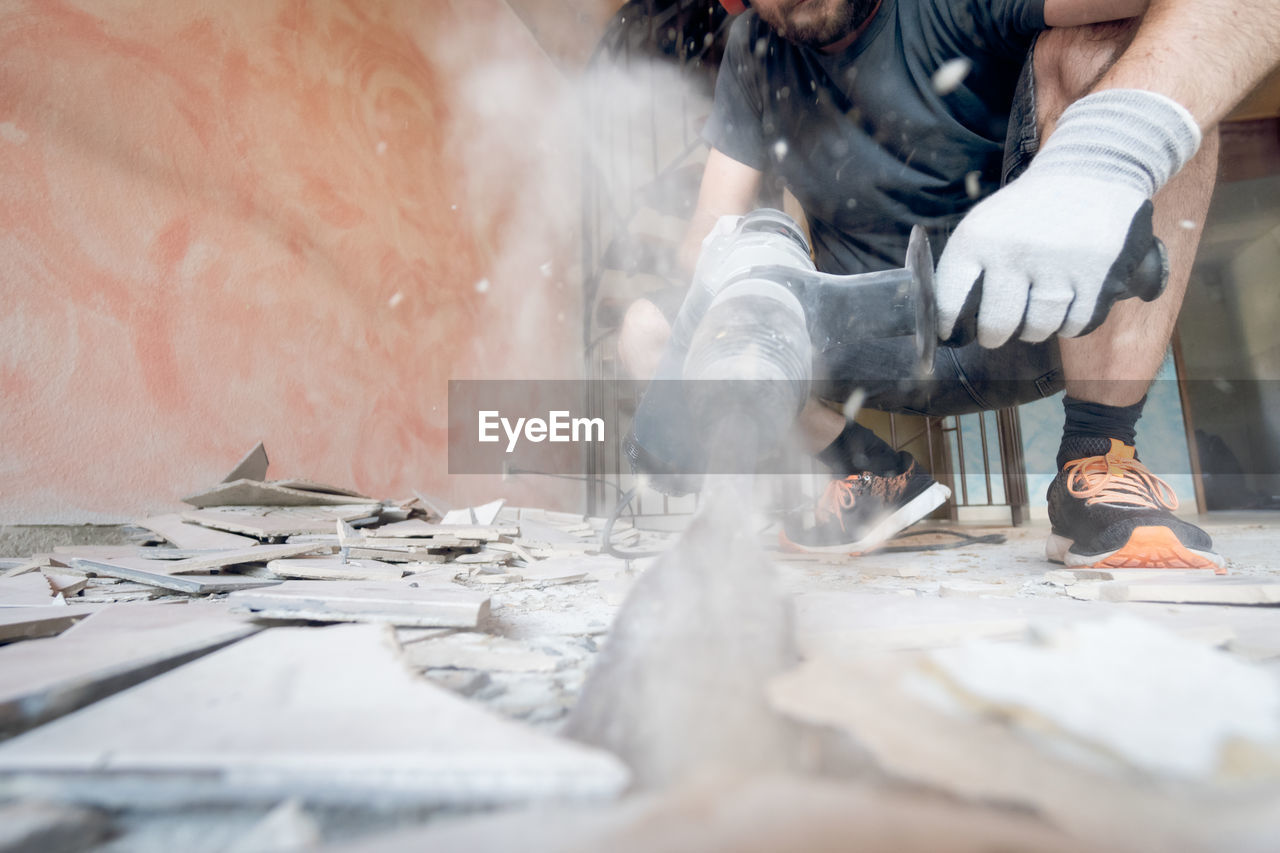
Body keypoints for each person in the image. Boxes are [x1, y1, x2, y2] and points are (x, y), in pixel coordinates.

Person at [618, 0, 1280, 567]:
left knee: (1113, 49)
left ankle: (1098, 457)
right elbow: (709, 234)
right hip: (870, 345)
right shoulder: (754, 49)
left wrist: (1107, 152)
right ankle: (868, 471)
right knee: (651, 328)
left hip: (1041, 306)